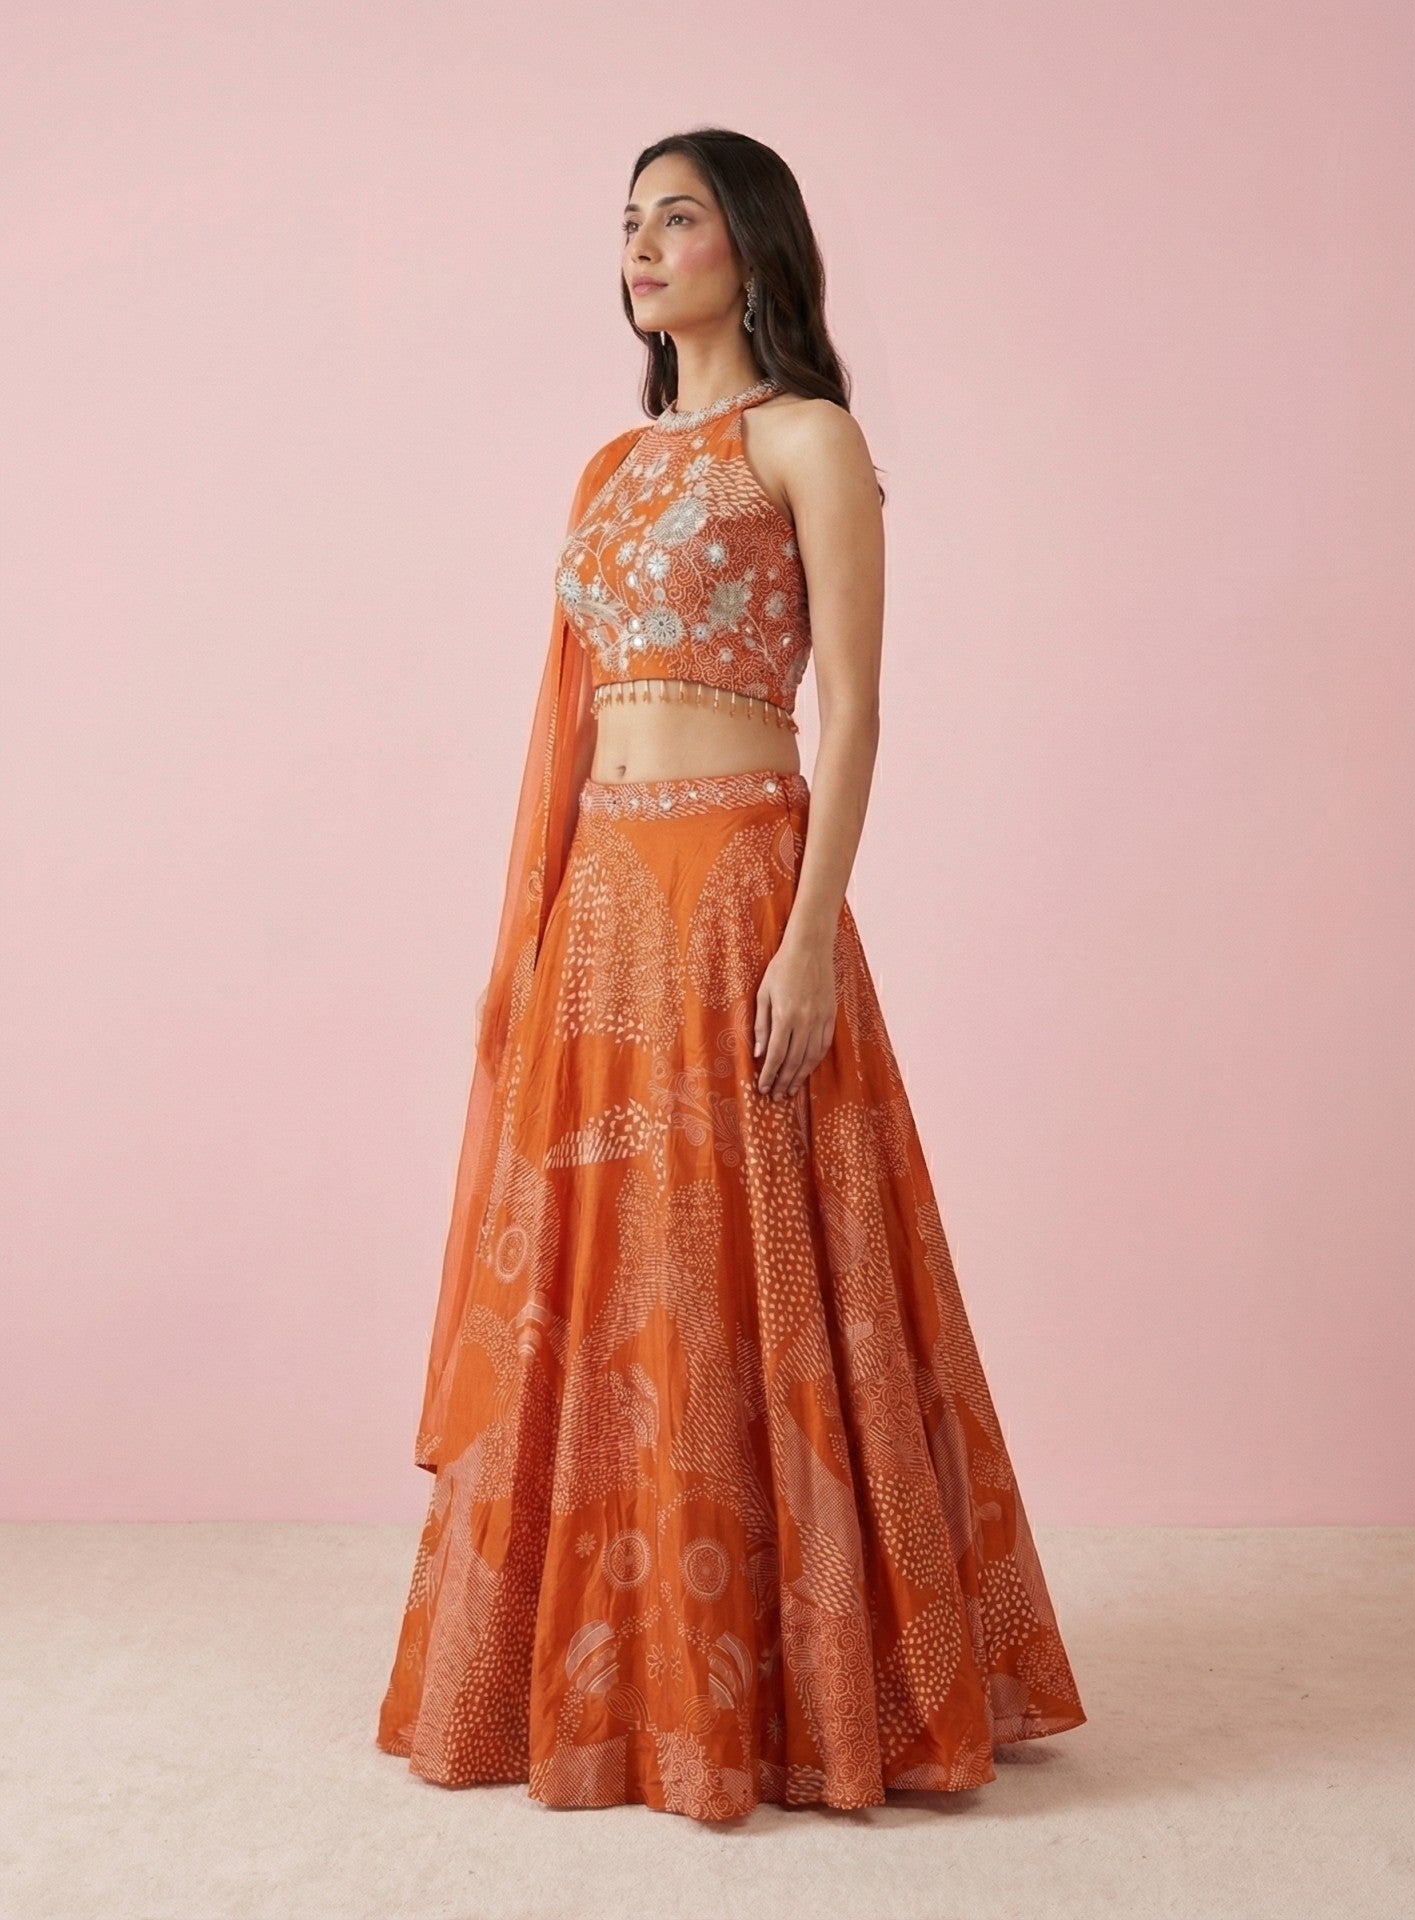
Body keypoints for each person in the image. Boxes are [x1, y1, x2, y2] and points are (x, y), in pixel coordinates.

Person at [375, 127, 1086, 1823]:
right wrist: (524, 943)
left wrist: (811, 931)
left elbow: (855, 711)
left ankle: (797, 1690)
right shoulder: (610, 469)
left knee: (757, 1270)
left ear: (750, 245)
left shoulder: (806, 440)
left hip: (741, 891)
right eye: (626, 221)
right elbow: (564, 720)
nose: (639, 245)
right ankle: (614, 1679)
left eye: (675, 216)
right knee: (608, 1285)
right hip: (606, 901)